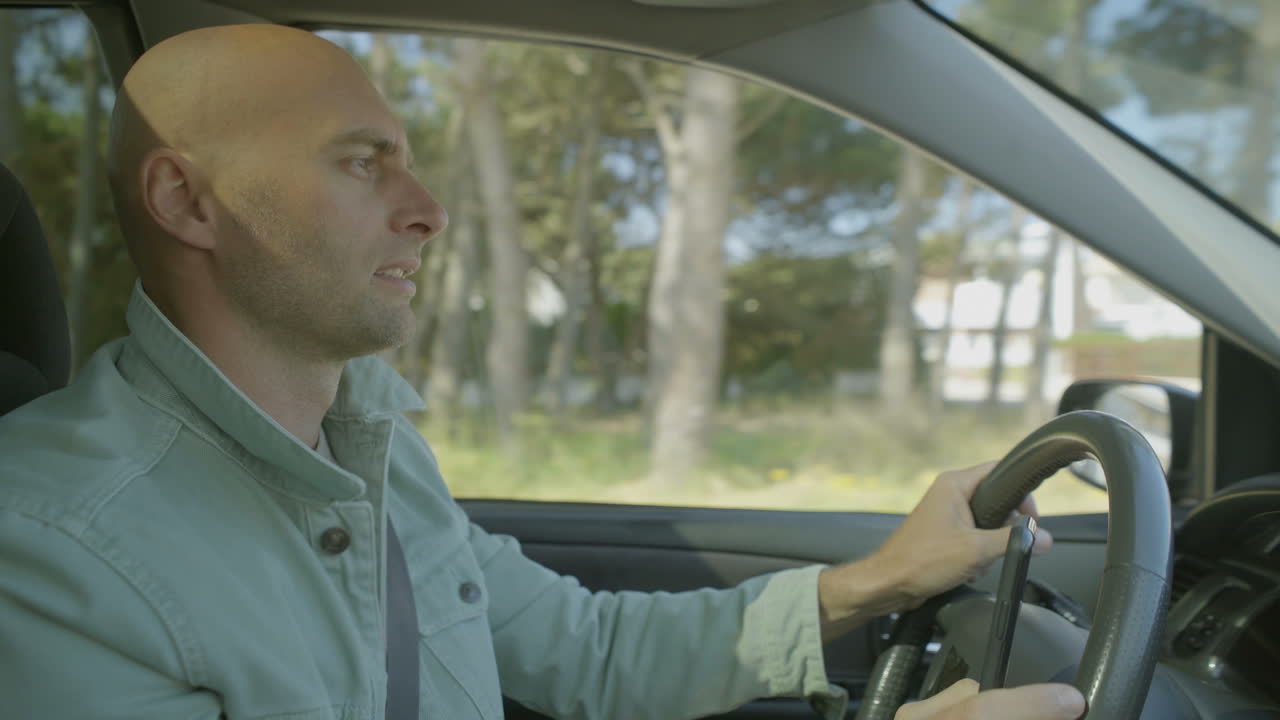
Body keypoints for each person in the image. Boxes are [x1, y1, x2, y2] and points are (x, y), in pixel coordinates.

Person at [0, 24, 1086, 720]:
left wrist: (880, 579)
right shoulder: (47, 547)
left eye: (407, 158)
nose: (426, 210)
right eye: (359, 162)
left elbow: (585, 650)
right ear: (187, 202)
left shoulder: (375, 449)